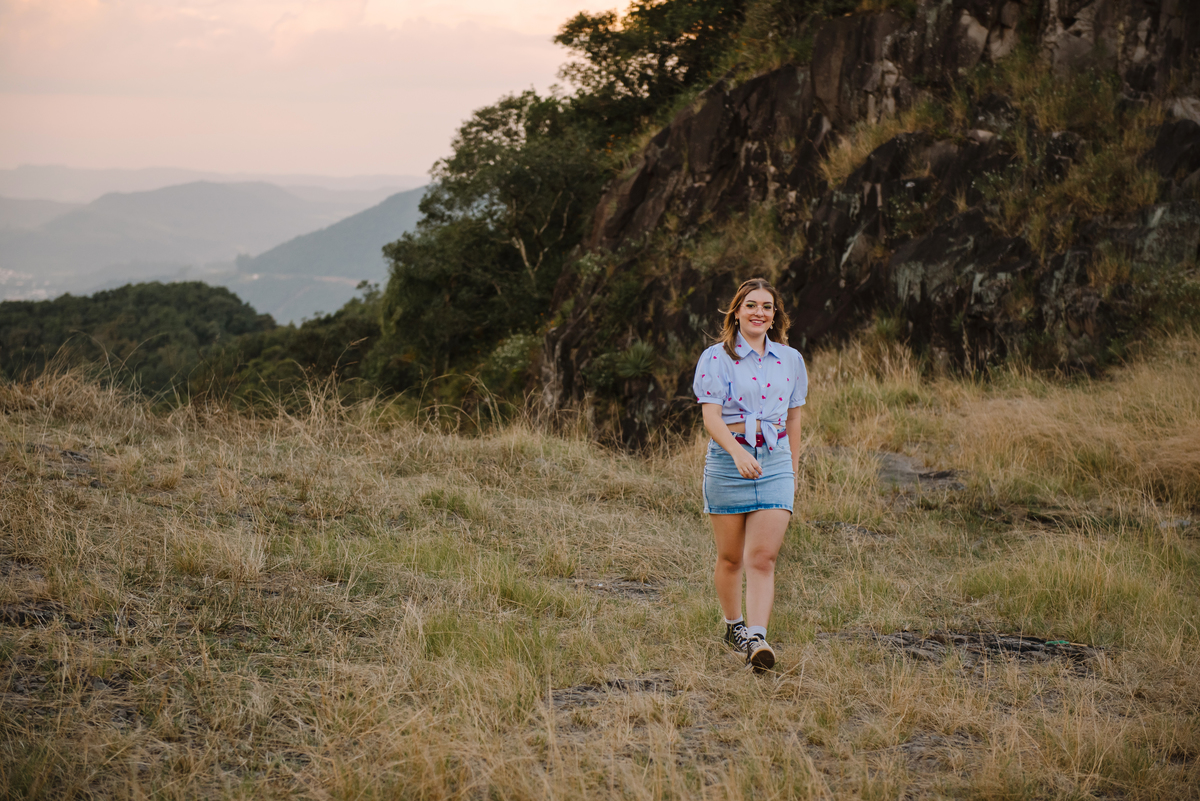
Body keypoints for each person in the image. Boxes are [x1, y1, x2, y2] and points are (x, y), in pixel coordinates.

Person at [692, 277, 807, 672]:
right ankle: (734, 626)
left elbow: (793, 418)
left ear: (775, 316)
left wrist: (791, 469)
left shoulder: (790, 359)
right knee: (730, 558)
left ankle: (757, 638)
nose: (760, 312)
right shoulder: (716, 357)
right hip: (729, 463)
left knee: (763, 557)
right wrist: (737, 452)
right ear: (737, 311)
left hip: (775, 463)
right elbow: (711, 417)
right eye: (752, 305)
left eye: (767, 307)